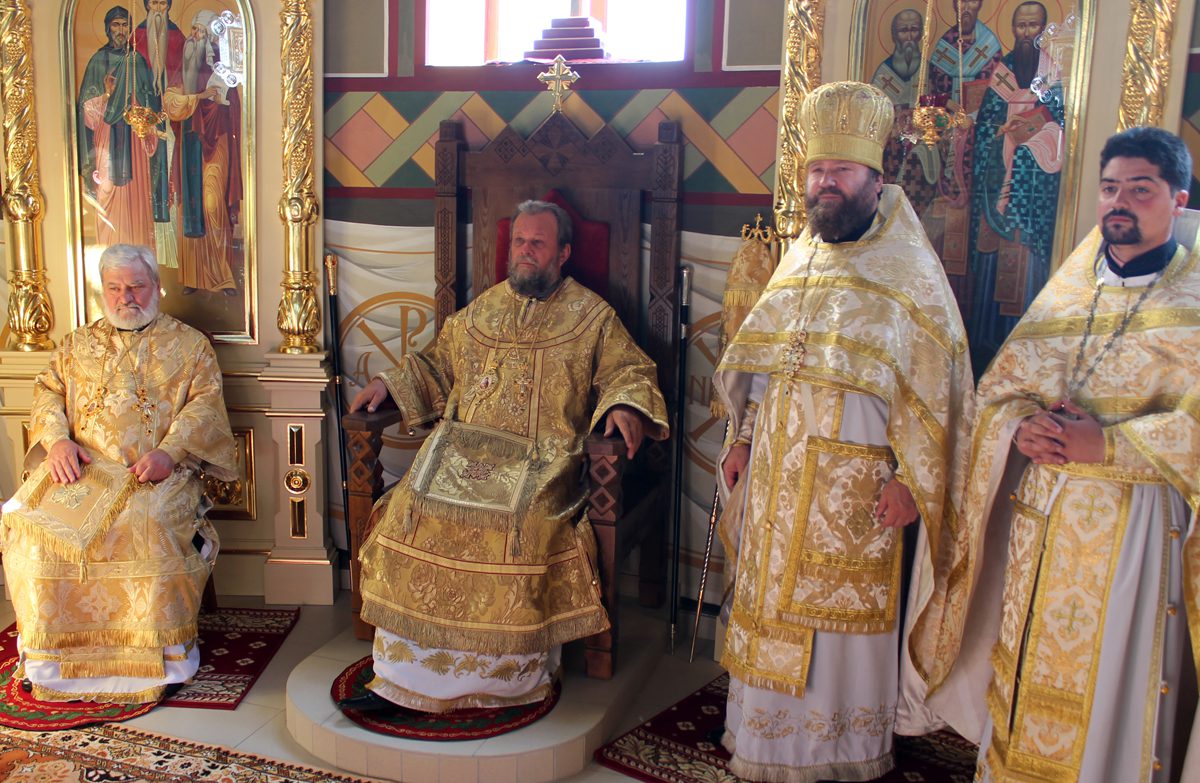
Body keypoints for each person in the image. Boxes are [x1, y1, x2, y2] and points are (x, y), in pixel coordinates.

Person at [713, 81, 974, 782]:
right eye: (817, 170)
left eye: (842, 171)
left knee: (835, 632)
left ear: (875, 179)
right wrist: (743, 437)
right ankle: (761, 745)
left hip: (854, 494)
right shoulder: (802, 257)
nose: (825, 183)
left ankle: (838, 755)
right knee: (770, 611)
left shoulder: (911, 273)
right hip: (777, 479)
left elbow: (941, 396)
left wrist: (913, 482)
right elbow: (766, 365)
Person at [926, 126, 1200, 782]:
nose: (1119, 202)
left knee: (1108, 692)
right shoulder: (1070, 292)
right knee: (1024, 675)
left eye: (1140, 189)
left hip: (1132, 539)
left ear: (1178, 200)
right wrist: (1018, 428)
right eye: (1109, 188)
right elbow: (1000, 394)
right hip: (1039, 534)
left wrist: (1110, 443)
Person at [341, 200, 669, 714]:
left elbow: (629, 370)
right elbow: (435, 364)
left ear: (563, 253)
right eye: (518, 241)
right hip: (461, 450)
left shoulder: (592, 316)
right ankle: (405, 672)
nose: (525, 251)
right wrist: (389, 383)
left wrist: (625, 405)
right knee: (409, 508)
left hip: (544, 460)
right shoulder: (484, 309)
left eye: (537, 243)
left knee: (524, 527)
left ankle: (505, 680)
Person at [0, 243, 236, 703]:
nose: (125, 297)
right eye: (114, 288)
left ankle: (157, 659)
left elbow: (205, 406)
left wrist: (170, 452)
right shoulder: (75, 345)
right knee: (32, 531)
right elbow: (47, 392)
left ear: (157, 287)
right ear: (102, 291)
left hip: (153, 474)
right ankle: (53, 662)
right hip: (83, 473)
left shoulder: (190, 346)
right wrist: (57, 441)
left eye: (135, 286)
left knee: (148, 523)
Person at [966, 1, 1064, 371]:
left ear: (1043, 29)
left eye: (1033, 26)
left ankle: (1025, 340)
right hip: (999, 184)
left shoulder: (1053, 75)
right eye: (1020, 26)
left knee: (1026, 260)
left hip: (1033, 189)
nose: (1026, 33)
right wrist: (1001, 136)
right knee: (993, 260)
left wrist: (1032, 138)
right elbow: (985, 126)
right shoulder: (1002, 74)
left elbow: (1064, 122)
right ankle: (986, 341)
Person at [163, 9, 241, 296]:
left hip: (216, 141)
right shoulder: (183, 73)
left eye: (200, 32)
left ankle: (222, 276)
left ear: (210, 38)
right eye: (193, 31)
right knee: (189, 206)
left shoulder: (222, 70)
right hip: (189, 145)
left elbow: (233, 107)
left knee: (212, 204)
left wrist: (216, 100)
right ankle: (192, 278)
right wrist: (198, 97)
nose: (194, 37)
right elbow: (170, 103)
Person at [77, 5, 159, 249]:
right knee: (107, 191)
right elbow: (86, 114)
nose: (121, 30)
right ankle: (110, 252)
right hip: (106, 140)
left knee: (136, 195)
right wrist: (107, 94)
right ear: (107, 28)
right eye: (116, 25)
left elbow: (150, 101)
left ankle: (139, 254)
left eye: (125, 25)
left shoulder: (137, 61)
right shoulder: (97, 61)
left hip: (134, 141)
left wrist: (143, 114)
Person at [870, 8, 940, 216]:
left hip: (923, 140)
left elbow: (939, 112)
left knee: (922, 156)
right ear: (894, 35)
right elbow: (873, 117)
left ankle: (916, 218)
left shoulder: (928, 71)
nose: (909, 37)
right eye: (903, 31)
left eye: (914, 30)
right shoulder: (883, 74)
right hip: (890, 144)